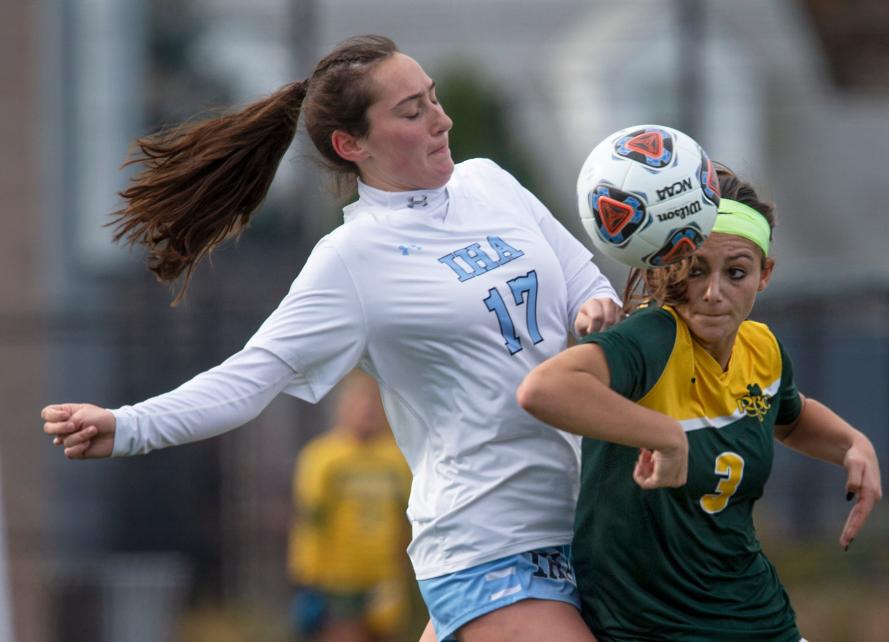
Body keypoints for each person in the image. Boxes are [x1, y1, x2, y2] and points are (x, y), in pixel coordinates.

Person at [40, 35, 624, 642]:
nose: (441, 120)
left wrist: (597, 313)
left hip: (586, 522)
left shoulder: (490, 182)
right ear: (352, 145)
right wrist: (128, 426)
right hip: (489, 545)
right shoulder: (351, 258)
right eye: (411, 111)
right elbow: (251, 377)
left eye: (433, 98)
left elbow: (586, 283)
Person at [517, 164, 883, 641]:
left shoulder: (762, 349)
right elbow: (543, 389)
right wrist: (667, 437)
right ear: (669, 269)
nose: (713, 293)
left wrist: (853, 444)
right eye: (695, 271)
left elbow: (790, 417)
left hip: (754, 614)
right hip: (649, 627)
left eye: (736, 273)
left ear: (765, 274)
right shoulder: (654, 337)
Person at [288, 370, 412, 642]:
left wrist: (399, 574)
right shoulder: (321, 457)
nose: (367, 410)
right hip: (336, 581)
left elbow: (407, 520)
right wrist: (310, 581)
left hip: (382, 579)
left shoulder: (398, 458)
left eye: (373, 403)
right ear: (343, 407)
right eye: (360, 402)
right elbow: (310, 518)